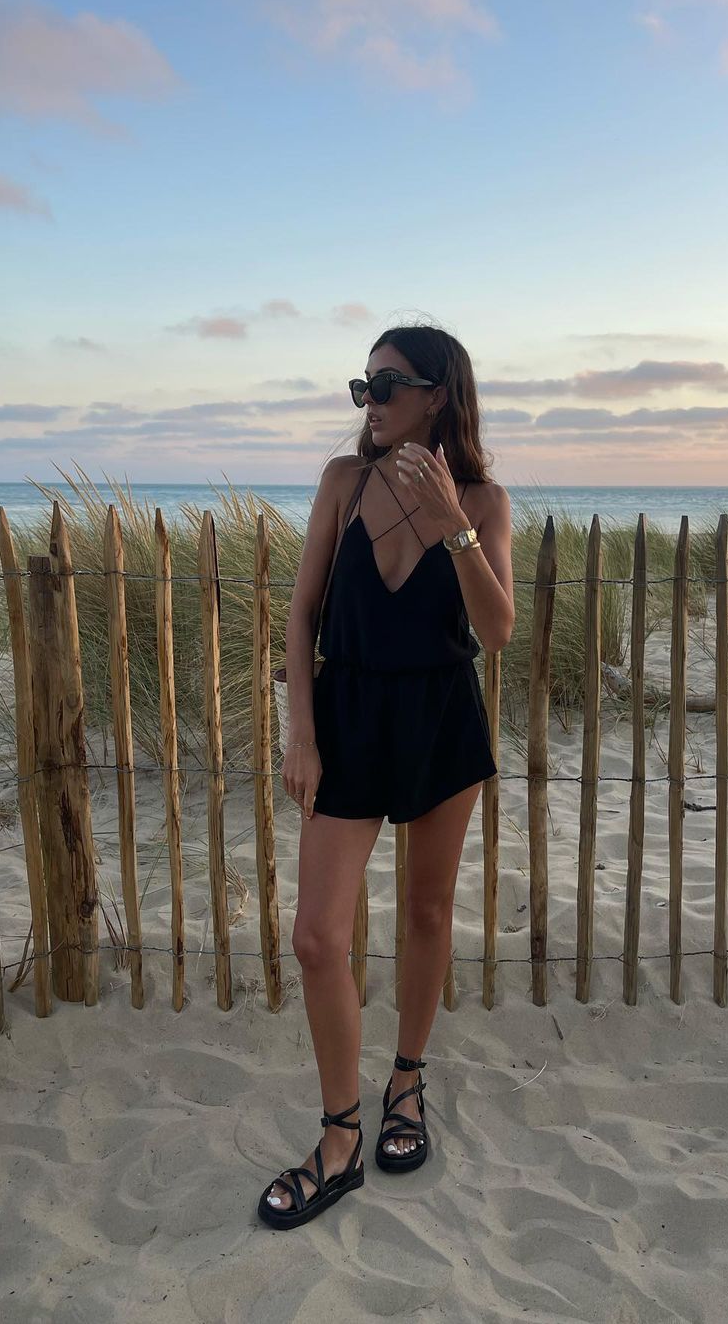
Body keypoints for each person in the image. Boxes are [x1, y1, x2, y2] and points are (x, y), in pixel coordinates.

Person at [257, 324, 515, 1229]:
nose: (370, 401)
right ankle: (340, 1136)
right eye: (361, 386)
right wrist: (301, 734)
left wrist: (455, 530)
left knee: (427, 912)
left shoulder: (483, 501)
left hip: (441, 718)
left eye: (388, 385)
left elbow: (496, 632)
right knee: (316, 938)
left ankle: (406, 1080)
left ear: (438, 394)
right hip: (348, 715)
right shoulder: (344, 482)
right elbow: (301, 615)